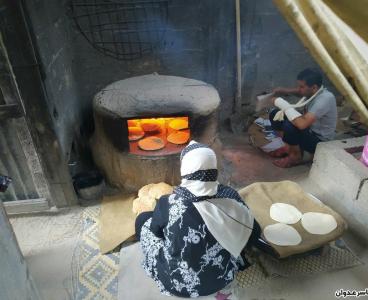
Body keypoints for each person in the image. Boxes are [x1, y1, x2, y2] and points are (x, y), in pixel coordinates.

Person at [135, 141, 261, 298]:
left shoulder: (168, 202)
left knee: (142, 220)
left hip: (177, 283)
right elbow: (254, 233)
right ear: (214, 170)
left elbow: (156, 232)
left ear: (185, 170)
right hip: (221, 278)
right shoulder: (230, 197)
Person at [268, 68, 337, 168]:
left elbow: (302, 124)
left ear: (313, 87)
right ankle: (288, 148)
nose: (299, 89)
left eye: (301, 86)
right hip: (309, 131)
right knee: (275, 115)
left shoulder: (325, 98)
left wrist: (280, 102)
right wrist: (283, 91)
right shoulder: (314, 91)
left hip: (319, 141)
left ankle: (295, 156)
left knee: (290, 126)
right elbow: (300, 92)